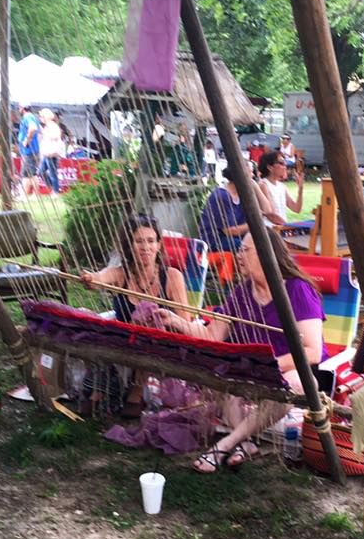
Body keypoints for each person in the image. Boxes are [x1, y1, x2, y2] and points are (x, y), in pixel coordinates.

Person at [158, 230, 327, 472]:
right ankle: (245, 443)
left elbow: (312, 352)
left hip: (293, 370)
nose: (238, 255)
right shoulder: (242, 292)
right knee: (223, 379)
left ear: (265, 254)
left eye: (244, 250)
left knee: (293, 386)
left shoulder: (298, 289)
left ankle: (225, 445)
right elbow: (212, 335)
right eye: (239, 250)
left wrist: (267, 367)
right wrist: (176, 321)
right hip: (254, 369)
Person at [81, 214, 191, 416]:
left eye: (151, 241)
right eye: (139, 241)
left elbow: (185, 323)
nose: (146, 247)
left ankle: (138, 387)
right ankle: (102, 385)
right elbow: (101, 277)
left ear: (159, 245)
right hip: (125, 342)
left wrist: (159, 321)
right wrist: (91, 279)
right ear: (129, 246)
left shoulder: (172, 276)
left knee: (148, 327)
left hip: (161, 343)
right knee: (85, 319)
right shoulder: (120, 274)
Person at [199, 165, 273, 253]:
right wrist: (256, 223)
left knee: (270, 241)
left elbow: (267, 211)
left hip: (236, 238)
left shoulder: (243, 194)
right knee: (253, 248)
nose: (253, 175)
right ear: (240, 174)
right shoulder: (222, 196)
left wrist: (256, 187)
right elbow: (229, 231)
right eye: (250, 172)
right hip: (216, 241)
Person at [258, 150, 304, 227]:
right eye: (281, 163)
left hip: (281, 228)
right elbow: (271, 215)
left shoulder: (282, 186)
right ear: (270, 167)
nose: (285, 166)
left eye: (285, 163)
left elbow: (297, 209)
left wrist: (300, 188)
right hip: (269, 229)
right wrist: (288, 226)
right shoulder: (263, 185)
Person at [39, 108, 62, 195]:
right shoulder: (47, 126)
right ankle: (53, 187)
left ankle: (55, 191)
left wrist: (46, 133)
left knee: (53, 173)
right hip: (46, 153)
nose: (40, 118)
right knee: (41, 171)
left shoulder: (53, 126)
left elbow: (56, 136)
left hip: (52, 153)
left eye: (41, 116)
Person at [18, 105, 40, 195]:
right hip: (31, 149)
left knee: (26, 174)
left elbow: (33, 128)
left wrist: (27, 140)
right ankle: (36, 194)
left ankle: (24, 195)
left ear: (23, 108)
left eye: (19, 107)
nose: (18, 109)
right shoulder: (32, 117)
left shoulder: (28, 117)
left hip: (29, 150)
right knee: (32, 173)